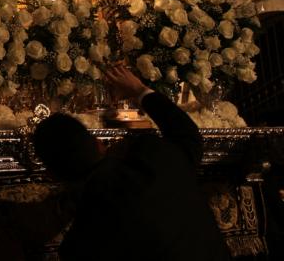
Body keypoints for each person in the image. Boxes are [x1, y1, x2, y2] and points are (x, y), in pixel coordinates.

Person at [32, 65, 230, 261]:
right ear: (98, 143)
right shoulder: (157, 160)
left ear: (53, 175)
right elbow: (187, 134)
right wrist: (139, 90)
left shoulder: (80, 246)